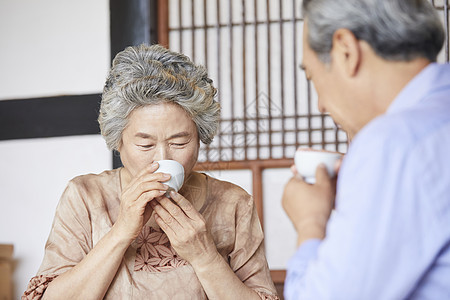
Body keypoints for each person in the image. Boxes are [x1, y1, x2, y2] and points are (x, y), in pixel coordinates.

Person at [23, 44, 278, 299]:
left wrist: (205, 257)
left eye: (179, 142)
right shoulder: (86, 197)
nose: (162, 159)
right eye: (145, 144)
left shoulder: (233, 203)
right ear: (118, 141)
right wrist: (121, 231)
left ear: (200, 138)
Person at [282, 0, 450, 299]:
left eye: (312, 77)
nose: (320, 105)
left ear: (346, 50)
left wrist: (310, 222)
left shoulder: (392, 143)